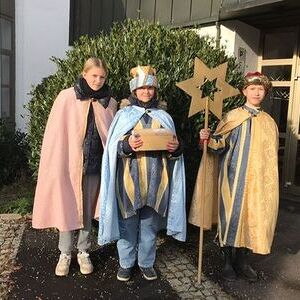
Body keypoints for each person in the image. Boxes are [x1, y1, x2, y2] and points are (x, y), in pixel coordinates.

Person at [98, 65, 186, 281]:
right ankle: (126, 263)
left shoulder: (164, 116)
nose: (146, 92)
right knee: (127, 226)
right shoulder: (123, 115)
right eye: (142, 88)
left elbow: (174, 150)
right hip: (129, 183)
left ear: (155, 91)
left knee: (149, 227)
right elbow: (113, 149)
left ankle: (146, 263)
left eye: (150, 88)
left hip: (157, 183)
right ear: (134, 91)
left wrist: (177, 148)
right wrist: (127, 144)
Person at [32, 57, 117, 276]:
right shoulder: (66, 97)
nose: (97, 81)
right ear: (84, 74)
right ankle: (65, 253)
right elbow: (55, 134)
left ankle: (84, 251)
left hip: (95, 165)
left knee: (87, 209)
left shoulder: (109, 102)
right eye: (94, 76)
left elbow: (113, 136)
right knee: (66, 207)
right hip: (68, 165)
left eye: (102, 77)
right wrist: (56, 163)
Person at [196, 72, 279, 281]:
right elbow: (218, 145)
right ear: (244, 91)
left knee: (252, 217)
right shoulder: (232, 116)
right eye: (252, 88)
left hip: (257, 183)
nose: (256, 92)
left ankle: (242, 261)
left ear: (265, 92)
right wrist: (207, 139)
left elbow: (270, 160)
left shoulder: (269, 123)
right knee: (231, 218)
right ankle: (226, 262)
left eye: (260, 89)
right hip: (232, 179)